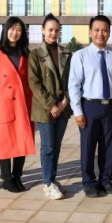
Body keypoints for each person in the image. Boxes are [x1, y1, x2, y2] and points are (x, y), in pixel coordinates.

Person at [68, 15, 112, 197]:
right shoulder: (80, 56)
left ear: (109, 33)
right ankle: (89, 182)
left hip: (111, 106)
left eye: (104, 30)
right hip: (90, 106)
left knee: (108, 146)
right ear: (90, 32)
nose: (100, 34)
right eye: (96, 30)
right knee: (88, 146)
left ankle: (106, 180)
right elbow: (74, 85)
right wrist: (77, 112)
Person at [0, 17, 35, 193]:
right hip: (6, 105)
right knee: (6, 142)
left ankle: (17, 176)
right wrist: (3, 102)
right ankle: (7, 179)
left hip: (25, 104)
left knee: (23, 140)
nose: (15, 33)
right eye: (12, 29)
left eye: (19, 30)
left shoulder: (27, 55)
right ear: (5, 30)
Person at [28, 13, 72, 200]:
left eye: (57, 30)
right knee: (48, 146)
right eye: (50, 29)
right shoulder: (35, 55)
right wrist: (51, 104)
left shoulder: (66, 54)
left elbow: (73, 80)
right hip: (44, 108)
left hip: (62, 106)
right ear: (43, 30)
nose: (54, 33)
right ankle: (47, 183)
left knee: (57, 145)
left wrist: (64, 102)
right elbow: (34, 83)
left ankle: (52, 179)